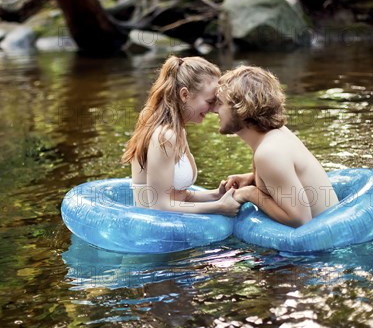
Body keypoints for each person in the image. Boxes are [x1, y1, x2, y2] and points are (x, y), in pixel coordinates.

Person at [213, 66, 339, 227]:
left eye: (220, 103)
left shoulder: (269, 152)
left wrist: (250, 193)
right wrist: (252, 179)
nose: (214, 110)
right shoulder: (277, 134)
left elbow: (300, 219)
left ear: (242, 109)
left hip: (320, 247)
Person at [122, 56, 240, 217]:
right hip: (152, 234)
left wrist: (216, 195)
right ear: (184, 95)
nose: (214, 109)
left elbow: (182, 196)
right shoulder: (164, 136)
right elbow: (159, 206)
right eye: (210, 101)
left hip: (170, 227)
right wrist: (218, 207)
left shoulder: (178, 131)